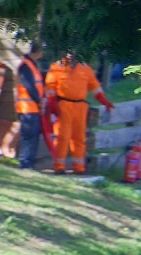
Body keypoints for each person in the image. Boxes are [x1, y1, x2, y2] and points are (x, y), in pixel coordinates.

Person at [44, 49, 113, 174]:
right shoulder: (56, 67)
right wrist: (53, 105)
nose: (71, 55)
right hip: (63, 106)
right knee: (62, 137)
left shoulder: (85, 68)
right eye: (69, 52)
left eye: (74, 52)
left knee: (79, 138)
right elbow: (49, 88)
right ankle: (59, 166)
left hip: (80, 107)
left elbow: (95, 87)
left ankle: (79, 167)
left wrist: (104, 101)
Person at [13, 39, 56, 170]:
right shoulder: (26, 66)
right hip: (27, 108)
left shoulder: (32, 65)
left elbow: (37, 86)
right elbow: (29, 87)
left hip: (32, 108)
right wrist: (40, 100)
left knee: (33, 136)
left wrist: (41, 99)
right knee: (28, 136)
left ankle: (28, 163)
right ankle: (24, 163)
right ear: (38, 51)